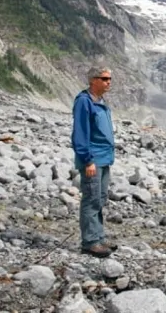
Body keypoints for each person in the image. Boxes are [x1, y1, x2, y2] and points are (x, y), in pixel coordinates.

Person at [71, 66, 116, 258]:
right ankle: (90, 242)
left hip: (104, 159)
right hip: (93, 160)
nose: (108, 82)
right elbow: (80, 134)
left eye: (109, 79)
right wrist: (87, 160)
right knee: (91, 198)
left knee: (100, 197)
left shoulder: (101, 101)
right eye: (104, 78)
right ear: (93, 80)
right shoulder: (84, 102)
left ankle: (98, 236)